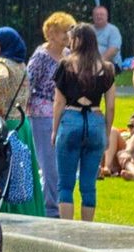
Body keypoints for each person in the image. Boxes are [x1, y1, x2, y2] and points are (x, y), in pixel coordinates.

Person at [52, 21, 115, 223]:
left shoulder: (66, 65)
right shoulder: (106, 68)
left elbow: (59, 102)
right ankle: (87, 230)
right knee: (89, 185)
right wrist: (106, 132)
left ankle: (67, 232)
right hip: (95, 120)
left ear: (77, 40)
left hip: (71, 118)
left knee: (66, 184)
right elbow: (111, 106)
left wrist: (54, 130)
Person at [30, 12, 72, 217]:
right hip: (42, 113)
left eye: (69, 31)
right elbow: (29, 84)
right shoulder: (41, 56)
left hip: (63, 113)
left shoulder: (69, 54)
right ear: (52, 33)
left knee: (59, 163)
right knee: (48, 164)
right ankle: (50, 209)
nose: (68, 35)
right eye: (64, 31)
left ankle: (54, 204)